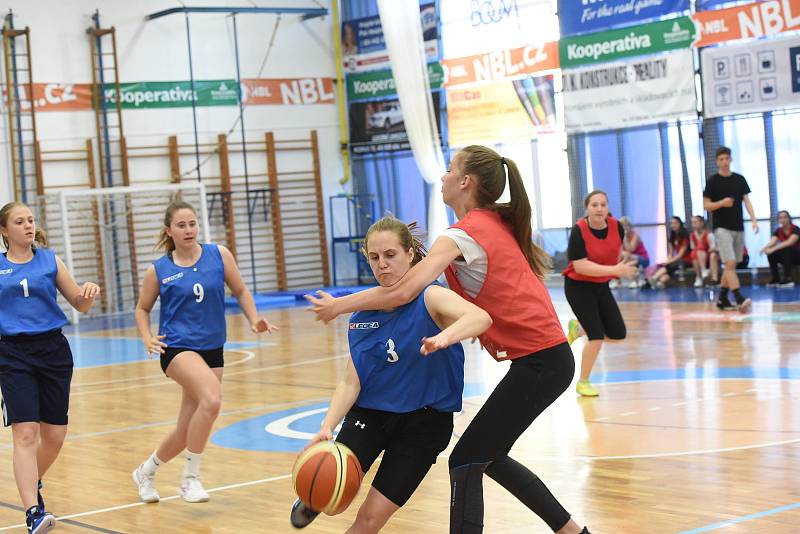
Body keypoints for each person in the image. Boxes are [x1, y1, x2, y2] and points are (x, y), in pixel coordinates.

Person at [306, 145, 590, 534]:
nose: (442, 176)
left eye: (449, 169)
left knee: (466, 460)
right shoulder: (491, 222)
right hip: (545, 360)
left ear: (465, 181)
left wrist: (338, 305)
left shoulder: (464, 233)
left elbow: (403, 293)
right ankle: (574, 532)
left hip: (542, 362)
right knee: (488, 457)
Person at [289, 216, 492, 532]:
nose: (382, 264)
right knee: (329, 497)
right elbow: (351, 380)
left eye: (390, 255)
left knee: (368, 522)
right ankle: (313, 498)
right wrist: (326, 426)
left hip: (424, 425)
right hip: (370, 416)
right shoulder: (362, 314)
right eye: (374, 257)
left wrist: (444, 337)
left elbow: (479, 317)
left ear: (410, 254)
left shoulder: (430, 297)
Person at [132, 201, 277, 504]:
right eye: (181, 225)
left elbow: (240, 290)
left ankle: (145, 471)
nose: (188, 230)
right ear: (169, 231)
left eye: (193, 223)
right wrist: (147, 338)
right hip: (177, 348)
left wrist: (254, 319)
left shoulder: (218, 255)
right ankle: (190, 479)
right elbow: (142, 309)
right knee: (211, 400)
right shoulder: (159, 270)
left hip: (213, 347)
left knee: (187, 430)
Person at [0, 202, 100, 534]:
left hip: (54, 351)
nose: (28, 225)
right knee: (25, 433)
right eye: (19, 221)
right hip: (13, 354)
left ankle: (32, 480)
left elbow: (79, 304)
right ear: (4, 230)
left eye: (30, 220)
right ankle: (32, 511)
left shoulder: (50, 260)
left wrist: (88, 293)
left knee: (54, 436)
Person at [563, 191, 636, 397]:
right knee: (596, 336)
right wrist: (614, 271)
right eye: (594, 205)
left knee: (618, 334)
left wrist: (619, 268)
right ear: (587, 208)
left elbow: (613, 254)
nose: (599, 208)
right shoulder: (579, 230)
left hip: (601, 286)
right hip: (578, 287)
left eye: (603, 204)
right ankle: (583, 382)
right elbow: (581, 266)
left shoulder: (616, 227)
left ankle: (579, 329)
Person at [703, 146, 758, 311]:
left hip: (738, 227)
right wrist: (721, 203)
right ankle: (739, 297)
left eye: (727, 159)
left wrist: (754, 219)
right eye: (721, 159)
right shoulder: (712, 181)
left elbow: (746, 201)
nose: (724, 162)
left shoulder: (739, 179)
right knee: (730, 262)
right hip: (722, 228)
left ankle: (722, 298)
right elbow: (706, 206)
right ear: (716, 162)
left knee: (730, 266)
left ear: (731, 160)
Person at [648, 216, 690, 289]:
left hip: (687, 260)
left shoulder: (685, 236)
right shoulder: (672, 236)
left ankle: (654, 279)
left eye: (675, 223)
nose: (673, 225)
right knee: (668, 267)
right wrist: (668, 260)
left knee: (670, 266)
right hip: (677, 261)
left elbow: (680, 255)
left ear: (680, 224)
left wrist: (669, 262)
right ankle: (660, 282)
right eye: (671, 223)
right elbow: (670, 253)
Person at [761, 210, 799, 287]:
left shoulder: (796, 229)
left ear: (789, 218)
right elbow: (772, 242)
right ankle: (776, 279)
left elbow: (789, 242)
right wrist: (765, 248)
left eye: (785, 217)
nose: (783, 219)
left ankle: (787, 279)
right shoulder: (778, 231)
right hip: (787, 257)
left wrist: (773, 249)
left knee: (787, 248)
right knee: (771, 253)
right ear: (778, 220)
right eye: (780, 218)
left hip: (797, 256)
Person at [688, 215, 720, 287]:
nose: (693, 225)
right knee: (694, 253)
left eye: (695, 222)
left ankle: (713, 278)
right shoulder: (692, 235)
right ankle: (699, 277)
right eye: (692, 223)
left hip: (710, 257)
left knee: (712, 254)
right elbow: (693, 248)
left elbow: (713, 248)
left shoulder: (709, 235)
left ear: (702, 223)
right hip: (698, 258)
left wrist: (703, 250)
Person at [619, 216, 649, 288]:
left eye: (625, 225)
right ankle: (618, 282)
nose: (623, 228)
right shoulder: (620, 236)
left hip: (643, 259)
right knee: (621, 259)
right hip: (631, 259)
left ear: (629, 226)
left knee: (628, 259)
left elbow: (630, 249)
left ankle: (635, 281)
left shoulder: (635, 236)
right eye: (621, 226)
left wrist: (625, 238)